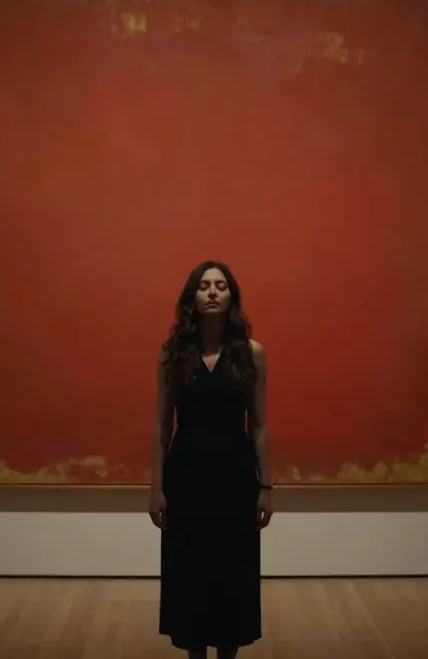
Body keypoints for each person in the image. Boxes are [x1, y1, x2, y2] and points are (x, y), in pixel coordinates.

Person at [150, 260, 273, 658]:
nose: (213, 291)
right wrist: (156, 489)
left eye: (221, 285)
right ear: (192, 297)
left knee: (231, 572)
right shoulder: (172, 355)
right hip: (185, 476)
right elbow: (160, 427)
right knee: (191, 571)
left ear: (231, 297)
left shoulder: (251, 354)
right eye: (204, 286)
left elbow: (258, 425)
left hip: (235, 477)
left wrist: (266, 486)